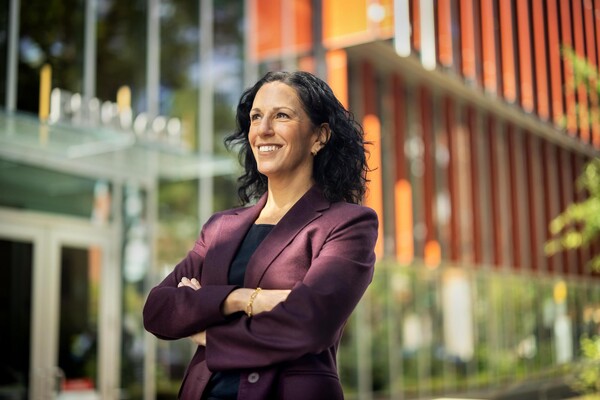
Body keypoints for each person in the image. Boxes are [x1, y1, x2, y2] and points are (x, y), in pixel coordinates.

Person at [143, 71, 378, 400]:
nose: (264, 129)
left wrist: (207, 327)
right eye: (256, 117)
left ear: (319, 137)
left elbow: (310, 324)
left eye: (282, 115)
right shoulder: (220, 228)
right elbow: (158, 309)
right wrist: (241, 299)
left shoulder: (347, 224)